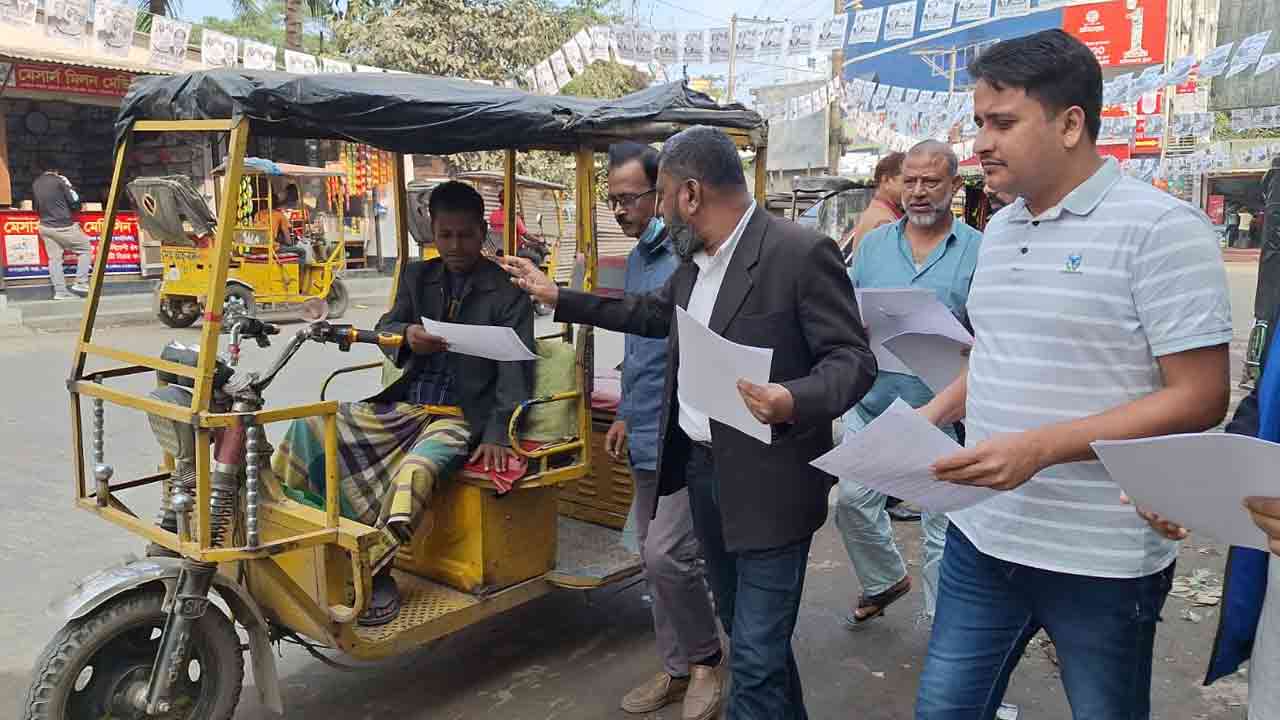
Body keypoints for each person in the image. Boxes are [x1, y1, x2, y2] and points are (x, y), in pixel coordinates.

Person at [499, 125, 877, 719]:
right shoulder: (695, 262)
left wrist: (792, 398)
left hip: (771, 485)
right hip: (703, 475)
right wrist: (559, 297)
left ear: (691, 194)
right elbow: (649, 314)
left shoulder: (797, 252)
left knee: (752, 660)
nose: (652, 208)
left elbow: (854, 360)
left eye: (662, 193)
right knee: (751, 641)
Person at [914, 30, 1232, 719]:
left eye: (1002, 123)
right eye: (978, 122)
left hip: (1100, 556)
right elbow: (996, 352)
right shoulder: (998, 230)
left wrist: (1040, 448)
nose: (980, 143)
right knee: (943, 709)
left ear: (1069, 123)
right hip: (983, 533)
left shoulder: (1161, 229)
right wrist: (931, 415)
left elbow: (1203, 395)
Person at [272, 181, 534, 626]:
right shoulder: (417, 276)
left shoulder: (507, 291)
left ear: (482, 232)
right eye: (445, 234)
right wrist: (406, 336)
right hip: (406, 407)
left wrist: (496, 434)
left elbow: (517, 371)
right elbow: (387, 326)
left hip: (459, 418)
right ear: (432, 230)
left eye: (465, 235)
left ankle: (376, 570)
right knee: (311, 427)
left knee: (416, 471)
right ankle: (294, 541)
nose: (455, 245)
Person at [836, 140, 981, 629]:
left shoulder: (979, 251)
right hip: (873, 405)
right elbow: (848, 307)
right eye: (911, 181)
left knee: (942, 527)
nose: (918, 192)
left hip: (943, 412)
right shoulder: (875, 244)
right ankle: (884, 579)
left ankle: (943, 632)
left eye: (931, 182)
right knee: (853, 503)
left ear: (954, 187)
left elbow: (992, 334)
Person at [602, 142, 724, 720]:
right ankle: (676, 668)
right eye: (613, 200)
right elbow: (639, 347)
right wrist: (626, 411)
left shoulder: (686, 255)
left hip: (685, 434)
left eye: (630, 198)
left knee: (669, 554)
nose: (621, 210)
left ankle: (706, 662)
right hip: (644, 430)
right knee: (655, 562)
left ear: (664, 193)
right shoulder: (633, 260)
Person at [32, 169, 91, 300]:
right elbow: (75, 202)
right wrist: (69, 185)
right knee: (85, 249)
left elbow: (36, 206)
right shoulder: (60, 180)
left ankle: (60, 291)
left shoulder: (36, 183)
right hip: (63, 225)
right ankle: (81, 282)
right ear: (56, 171)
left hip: (45, 226)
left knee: (55, 259)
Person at [842, 152, 905, 262]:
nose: (914, 189)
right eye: (907, 181)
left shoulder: (880, 211)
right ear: (886, 180)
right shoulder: (883, 221)